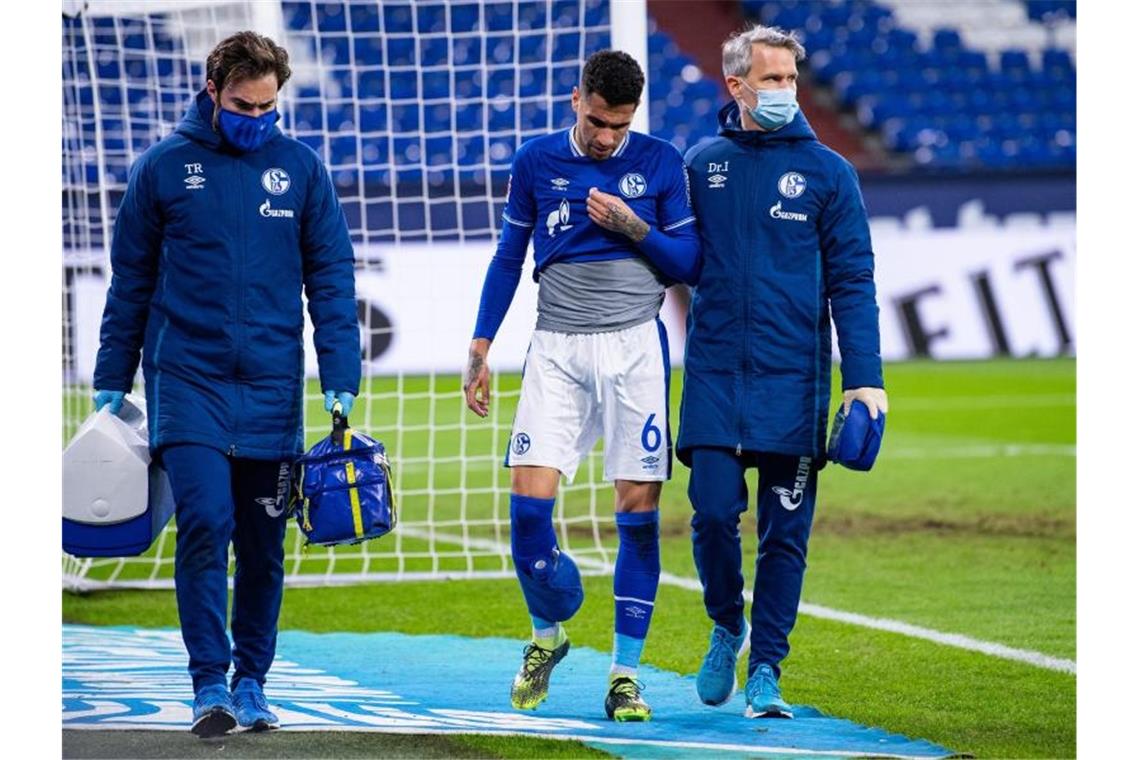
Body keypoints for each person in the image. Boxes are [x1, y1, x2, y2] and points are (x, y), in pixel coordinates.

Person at [91, 31, 360, 737]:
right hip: (188, 381)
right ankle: (209, 681)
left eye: (270, 107)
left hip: (273, 386)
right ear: (213, 91)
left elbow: (332, 281)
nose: (258, 119)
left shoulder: (302, 169)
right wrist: (111, 377)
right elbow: (132, 283)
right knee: (206, 522)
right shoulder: (162, 169)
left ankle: (252, 682)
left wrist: (341, 374)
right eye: (245, 105)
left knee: (264, 545)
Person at [463, 50, 700, 722]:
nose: (605, 138)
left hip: (636, 351)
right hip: (557, 350)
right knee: (529, 513)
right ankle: (548, 638)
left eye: (618, 127)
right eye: (597, 121)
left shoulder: (659, 163)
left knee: (639, 515)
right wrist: (481, 344)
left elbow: (691, 263)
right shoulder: (536, 162)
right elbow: (509, 256)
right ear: (577, 99)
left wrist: (634, 227)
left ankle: (625, 675)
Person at [679, 24, 888, 718]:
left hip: (793, 380)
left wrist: (865, 377)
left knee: (785, 536)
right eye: (771, 79)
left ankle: (766, 667)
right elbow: (673, 262)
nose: (784, 92)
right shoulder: (701, 164)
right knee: (710, 516)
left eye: (790, 80)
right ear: (735, 84)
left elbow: (854, 280)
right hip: (712, 372)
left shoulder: (831, 173)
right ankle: (725, 623)